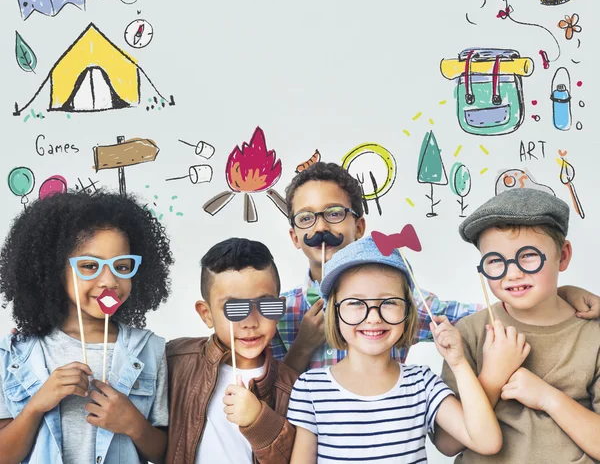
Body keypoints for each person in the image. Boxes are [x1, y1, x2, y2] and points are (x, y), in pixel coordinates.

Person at [271, 162, 599, 373]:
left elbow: (483, 315)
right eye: (305, 218)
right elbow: (263, 399)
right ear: (294, 236)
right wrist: (301, 347)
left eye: (334, 213)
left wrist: (561, 294)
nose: (319, 227)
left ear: (359, 227)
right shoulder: (279, 310)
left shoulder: (402, 302)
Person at [287, 236, 503, 462]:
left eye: (389, 302)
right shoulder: (310, 388)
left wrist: (458, 365)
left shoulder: (422, 383)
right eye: (356, 303)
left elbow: (486, 441)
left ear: (407, 311)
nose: (372, 318)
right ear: (334, 312)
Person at [0, 190, 172, 464]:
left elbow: (164, 452)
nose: (110, 281)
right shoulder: (13, 355)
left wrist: (133, 424)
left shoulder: (150, 350)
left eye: (122, 265)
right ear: (55, 270)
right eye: (90, 266)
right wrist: (37, 405)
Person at [439, 188, 600, 462]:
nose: (512, 273)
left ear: (562, 256)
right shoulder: (467, 334)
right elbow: (447, 443)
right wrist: (491, 378)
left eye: (528, 256)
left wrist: (548, 398)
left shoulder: (593, 334)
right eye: (494, 261)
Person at [165, 238, 297, 463]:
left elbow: (296, 457)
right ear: (206, 314)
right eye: (234, 308)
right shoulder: (175, 360)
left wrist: (260, 421)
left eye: (265, 306)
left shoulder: (293, 386)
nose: (250, 322)